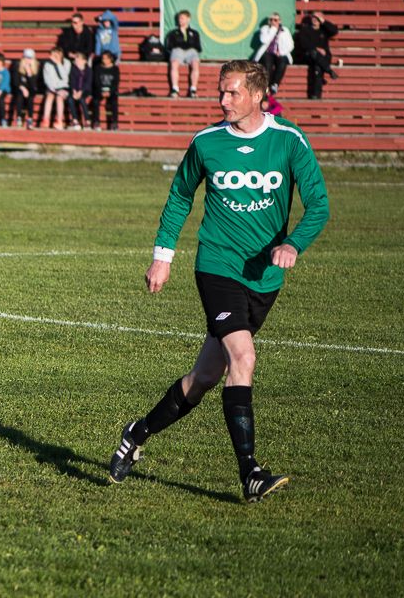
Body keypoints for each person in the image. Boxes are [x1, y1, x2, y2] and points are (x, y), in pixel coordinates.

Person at [108, 60, 329, 503]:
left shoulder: (289, 141)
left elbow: (319, 205)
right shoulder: (207, 142)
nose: (222, 100)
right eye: (220, 92)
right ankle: (250, 473)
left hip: (263, 278)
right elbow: (179, 197)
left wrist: (294, 244)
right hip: (217, 267)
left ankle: (137, 432)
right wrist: (162, 258)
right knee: (242, 358)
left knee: (206, 375)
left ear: (257, 96)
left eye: (231, 93)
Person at [294, 11, 340, 99]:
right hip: (309, 56)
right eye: (313, 17)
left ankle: (316, 96)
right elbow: (304, 44)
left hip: (322, 59)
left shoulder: (324, 30)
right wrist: (316, 48)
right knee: (314, 53)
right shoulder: (305, 29)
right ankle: (329, 70)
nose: (315, 19)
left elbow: (334, 31)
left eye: (317, 18)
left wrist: (324, 21)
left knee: (317, 68)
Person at [252, 12, 294, 95]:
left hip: (281, 53)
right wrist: (273, 29)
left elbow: (290, 45)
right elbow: (264, 40)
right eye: (271, 19)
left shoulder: (285, 30)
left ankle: (275, 84)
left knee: (282, 62)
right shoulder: (265, 28)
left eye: (275, 20)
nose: (273, 21)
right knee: (267, 64)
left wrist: (281, 52)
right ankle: (266, 86)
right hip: (268, 52)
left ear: (279, 21)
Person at [164, 10, 203, 98]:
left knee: (195, 64)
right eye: (179, 19)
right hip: (178, 51)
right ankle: (175, 89)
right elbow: (170, 46)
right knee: (174, 63)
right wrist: (181, 46)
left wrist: (187, 46)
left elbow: (198, 47)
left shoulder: (194, 33)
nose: (180, 20)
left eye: (182, 18)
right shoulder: (173, 33)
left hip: (191, 52)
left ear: (188, 19)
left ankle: (193, 89)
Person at [41, 46, 72, 129]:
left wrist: (58, 64)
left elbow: (65, 78)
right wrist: (53, 89)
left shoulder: (67, 63)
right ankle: (46, 119)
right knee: (50, 96)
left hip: (63, 87)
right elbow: (47, 79)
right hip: (52, 87)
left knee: (59, 98)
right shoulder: (47, 64)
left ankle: (59, 120)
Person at [91, 51, 121, 131]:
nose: (104, 60)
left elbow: (116, 83)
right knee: (95, 101)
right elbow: (96, 81)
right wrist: (101, 91)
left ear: (110, 59)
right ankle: (96, 122)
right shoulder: (98, 68)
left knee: (114, 102)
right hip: (99, 90)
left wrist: (110, 92)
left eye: (106, 58)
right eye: (103, 58)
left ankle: (114, 123)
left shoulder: (115, 69)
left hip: (111, 90)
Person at [12, 49, 41, 128]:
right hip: (20, 88)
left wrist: (29, 73)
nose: (28, 60)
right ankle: (19, 117)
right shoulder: (17, 66)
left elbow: (34, 85)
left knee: (30, 98)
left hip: (31, 89)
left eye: (30, 58)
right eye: (27, 58)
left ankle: (30, 119)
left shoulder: (36, 68)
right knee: (19, 95)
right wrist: (22, 88)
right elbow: (15, 81)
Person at [68, 50, 93, 131]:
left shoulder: (88, 70)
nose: (76, 61)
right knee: (70, 99)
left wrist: (81, 91)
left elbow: (88, 83)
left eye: (78, 59)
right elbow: (72, 81)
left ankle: (87, 121)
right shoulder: (73, 69)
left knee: (82, 100)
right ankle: (75, 120)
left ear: (84, 61)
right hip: (76, 91)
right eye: (76, 59)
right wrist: (74, 90)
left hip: (85, 91)